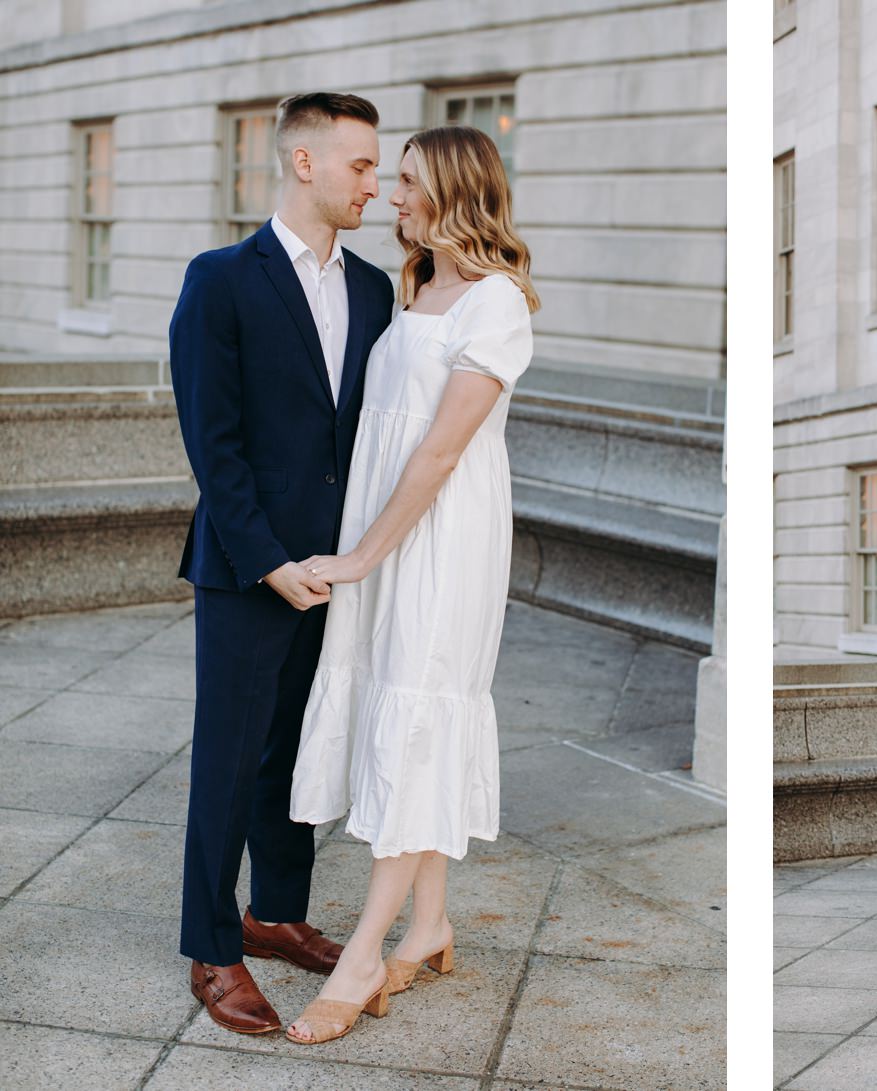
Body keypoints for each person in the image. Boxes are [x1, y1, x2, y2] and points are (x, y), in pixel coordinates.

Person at [278, 124, 540, 1044]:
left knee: (420, 710)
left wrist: (359, 558)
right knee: (399, 705)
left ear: (456, 193)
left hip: (442, 537)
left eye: (411, 186)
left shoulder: (498, 302)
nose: (394, 199)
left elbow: (438, 453)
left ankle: (363, 952)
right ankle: (430, 926)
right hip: (381, 526)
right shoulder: (418, 284)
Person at [168, 92, 393, 1034]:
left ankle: (278, 912)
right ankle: (214, 947)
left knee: (300, 749)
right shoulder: (220, 278)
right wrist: (268, 561)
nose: (375, 185)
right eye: (362, 167)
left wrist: (351, 561)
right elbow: (211, 442)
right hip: (245, 564)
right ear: (305, 163)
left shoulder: (379, 288)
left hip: (339, 569)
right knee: (226, 760)